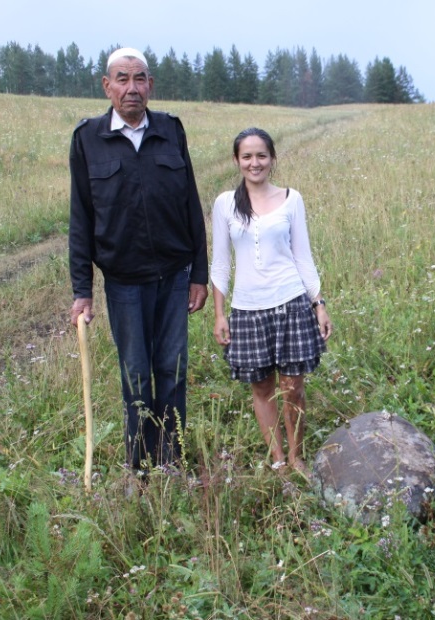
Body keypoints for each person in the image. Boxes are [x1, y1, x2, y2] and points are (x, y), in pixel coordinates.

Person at [68, 47, 208, 475]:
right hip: (125, 282)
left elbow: (190, 202)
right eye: (123, 79)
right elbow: (81, 216)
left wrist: (199, 273)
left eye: (140, 79)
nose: (132, 88)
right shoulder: (88, 138)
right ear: (107, 86)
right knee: (137, 377)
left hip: (174, 275)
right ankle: (140, 466)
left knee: (173, 370)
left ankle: (173, 458)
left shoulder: (170, 129)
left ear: (151, 85)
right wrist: (82, 291)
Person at [210, 127, 332, 476]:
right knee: (262, 387)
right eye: (247, 156)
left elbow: (303, 257)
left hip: (291, 303)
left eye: (261, 155)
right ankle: (278, 460)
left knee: (292, 387)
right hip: (247, 311)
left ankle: (297, 456)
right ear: (237, 161)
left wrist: (318, 303)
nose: (254, 163)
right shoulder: (225, 204)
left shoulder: (292, 199)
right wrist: (220, 315)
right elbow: (220, 262)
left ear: (272, 158)